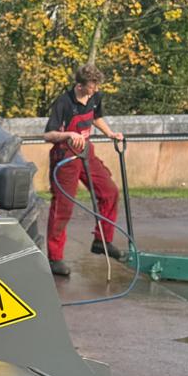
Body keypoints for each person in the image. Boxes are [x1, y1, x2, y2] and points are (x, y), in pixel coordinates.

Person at [43, 63, 125, 277]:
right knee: (63, 207)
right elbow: (48, 135)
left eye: (97, 85)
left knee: (110, 192)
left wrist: (110, 134)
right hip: (65, 157)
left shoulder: (95, 97)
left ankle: (102, 241)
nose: (95, 90)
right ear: (79, 86)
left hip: (87, 152)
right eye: (91, 86)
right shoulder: (63, 102)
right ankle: (55, 258)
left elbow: (96, 118)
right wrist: (69, 135)